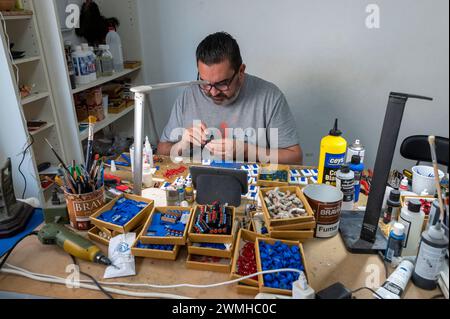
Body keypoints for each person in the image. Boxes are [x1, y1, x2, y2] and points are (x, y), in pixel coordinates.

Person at [157, 32, 303, 164]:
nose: (213, 92)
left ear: (241, 71)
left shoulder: (270, 97)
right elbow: (161, 151)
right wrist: (181, 145)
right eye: (205, 83)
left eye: (222, 83)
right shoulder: (188, 96)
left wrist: (247, 151)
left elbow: (295, 158)